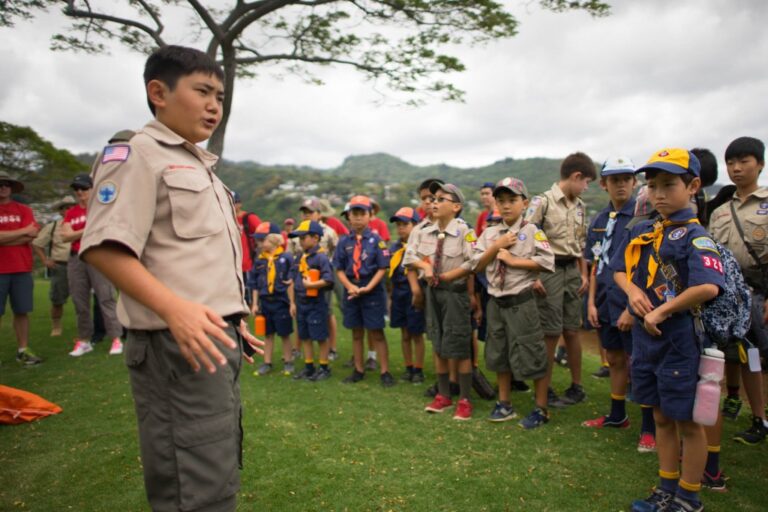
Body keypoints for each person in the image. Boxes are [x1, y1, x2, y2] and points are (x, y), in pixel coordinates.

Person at [78, 45, 263, 512]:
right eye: (202, 91)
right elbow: (103, 245)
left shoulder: (201, 165)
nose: (214, 106)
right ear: (158, 93)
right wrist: (174, 308)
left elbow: (191, 257)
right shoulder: (137, 154)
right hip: (171, 343)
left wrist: (228, 314)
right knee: (192, 482)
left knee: (215, 466)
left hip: (207, 334)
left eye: (219, 96)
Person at [611, 149, 723, 512]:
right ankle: (665, 488)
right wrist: (633, 293)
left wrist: (662, 310)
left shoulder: (696, 237)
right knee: (659, 414)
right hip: (647, 340)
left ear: (693, 186)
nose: (658, 194)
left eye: (668, 185)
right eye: (652, 185)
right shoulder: (645, 230)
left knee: (687, 420)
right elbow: (619, 270)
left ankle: (689, 496)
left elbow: (708, 287)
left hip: (679, 339)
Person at [580, 157, 658, 451]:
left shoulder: (643, 219)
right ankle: (617, 415)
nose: (621, 184)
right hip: (603, 300)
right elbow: (595, 264)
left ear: (635, 182)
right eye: (615, 179)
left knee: (640, 364)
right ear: (604, 184)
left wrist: (629, 308)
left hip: (631, 303)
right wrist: (590, 303)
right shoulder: (600, 221)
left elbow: (644, 267)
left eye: (627, 178)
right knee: (613, 358)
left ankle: (649, 427)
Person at [469, 177, 555, 428]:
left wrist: (515, 261)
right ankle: (504, 403)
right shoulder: (490, 233)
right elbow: (476, 265)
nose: (506, 206)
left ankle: (541, 408)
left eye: (512, 200)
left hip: (522, 301)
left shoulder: (532, 231)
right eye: (501, 201)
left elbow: (547, 263)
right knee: (499, 352)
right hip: (496, 301)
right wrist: (496, 246)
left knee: (532, 351)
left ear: (524, 203)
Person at [709, 136, 768, 447]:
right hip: (727, 294)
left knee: (757, 357)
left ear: (759, 164)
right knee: (738, 355)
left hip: (760, 290)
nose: (736, 168)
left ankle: (760, 417)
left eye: (744, 161)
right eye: (731, 162)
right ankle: (740, 414)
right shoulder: (720, 211)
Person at [524, 152, 596, 408]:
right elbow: (526, 240)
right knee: (550, 333)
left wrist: (584, 275)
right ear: (576, 176)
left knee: (572, 330)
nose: (586, 188)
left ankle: (576, 386)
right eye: (586, 182)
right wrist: (533, 276)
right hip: (548, 270)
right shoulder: (542, 202)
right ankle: (545, 390)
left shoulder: (580, 206)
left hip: (572, 272)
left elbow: (580, 244)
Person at [405, 182, 477, 419]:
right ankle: (443, 395)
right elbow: (410, 256)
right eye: (433, 199)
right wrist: (424, 265)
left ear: (456, 207)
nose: (434, 203)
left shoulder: (465, 232)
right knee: (437, 342)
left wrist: (449, 276)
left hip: (455, 293)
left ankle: (465, 399)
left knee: (460, 346)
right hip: (432, 293)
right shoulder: (423, 230)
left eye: (441, 200)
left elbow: (472, 263)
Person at [61, 174, 124, 357]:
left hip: (98, 255)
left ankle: (116, 338)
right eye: (76, 189)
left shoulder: (100, 209)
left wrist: (77, 232)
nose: (80, 192)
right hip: (76, 258)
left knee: (106, 298)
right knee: (80, 301)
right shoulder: (71, 213)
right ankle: (84, 340)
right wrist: (89, 228)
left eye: (84, 188)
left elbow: (105, 228)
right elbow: (65, 236)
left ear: (92, 189)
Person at [334, 195, 394, 386]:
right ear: (348, 217)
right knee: (356, 332)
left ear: (370, 216)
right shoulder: (343, 242)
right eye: (354, 214)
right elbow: (339, 269)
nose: (358, 218)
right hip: (351, 287)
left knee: (376, 331)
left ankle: (385, 371)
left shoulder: (377, 241)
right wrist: (350, 286)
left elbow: (382, 268)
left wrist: (368, 287)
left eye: (362, 214)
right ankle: (358, 369)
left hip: (372, 288)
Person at [0, 172, 42, 366]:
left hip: (21, 267)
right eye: (0, 184)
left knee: (22, 310)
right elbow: (27, 232)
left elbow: (32, 235)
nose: (3, 187)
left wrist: (7, 236)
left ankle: (23, 350)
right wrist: (23, 232)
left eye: (6, 184)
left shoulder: (24, 209)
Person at [289, 220, 334, 381]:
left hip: (316, 303)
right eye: (299, 238)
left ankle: (324, 367)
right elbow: (293, 280)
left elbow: (328, 279)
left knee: (320, 336)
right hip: (301, 303)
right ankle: (309, 367)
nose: (300, 241)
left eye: (303, 237)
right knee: (305, 335)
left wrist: (312, 284)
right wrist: (292, 302)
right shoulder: (300, 257)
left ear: (315, 238)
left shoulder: (321, 257)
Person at [249, 225, 294, 377]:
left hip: (281, 301)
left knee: (285, 333)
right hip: (265, 301)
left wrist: (292, 303)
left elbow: (290, 281)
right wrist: (254, 304)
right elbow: (254, 284)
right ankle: (267, 362)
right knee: (267, 333)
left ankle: (288, 361)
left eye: (262, 240)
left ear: (273, 239)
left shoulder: (286, 257)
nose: (259, 243)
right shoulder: (260, 260)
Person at [388, 206, 426, 383]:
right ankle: (408, 366)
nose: (401, 228)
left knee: (416, 333)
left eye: (405, 224)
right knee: (404, 333)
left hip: (414, 292)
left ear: (415, 225)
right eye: (398, 225)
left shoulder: (421, 246)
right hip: (398, 294)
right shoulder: (394, 248)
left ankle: (418, 369)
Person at [32, 195, 76, 337]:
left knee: (82, 299)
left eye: (71, 207)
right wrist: (45, 260)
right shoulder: (53, 227)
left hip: (81, 264)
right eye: (65, 208)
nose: (69, 210)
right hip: (61, 266)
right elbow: (37, 244)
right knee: (57, 299)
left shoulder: (83, 224)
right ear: (60, 211)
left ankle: (84, 327)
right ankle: (56, 325)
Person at [233, 191, 261, 308]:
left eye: (234, 202)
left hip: (249, 264)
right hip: (234, 266)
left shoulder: (249, 218)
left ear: (239, 204)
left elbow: (263, 232)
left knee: (250, 298)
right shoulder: (228, 219)